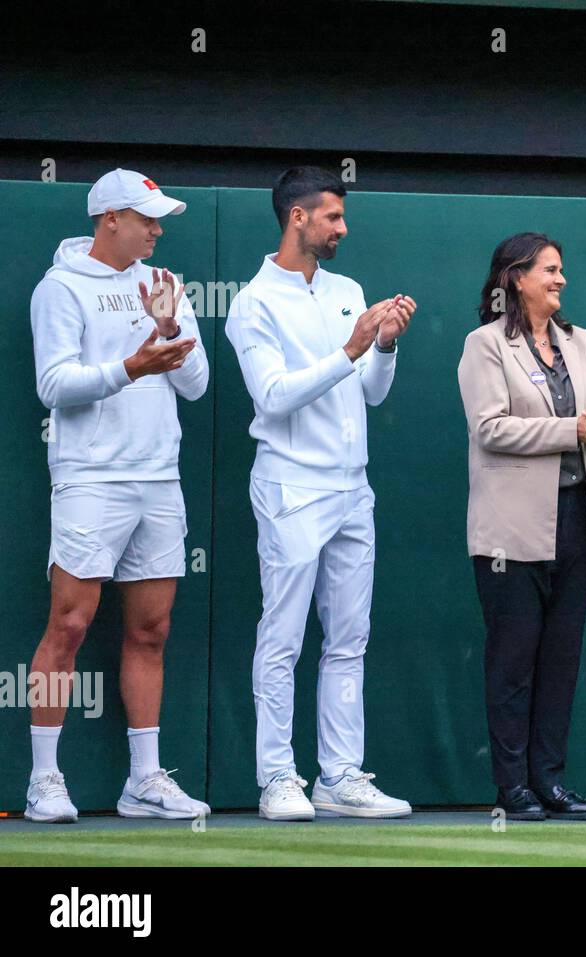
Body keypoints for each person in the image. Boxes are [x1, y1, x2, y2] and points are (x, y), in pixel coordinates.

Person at [225, 166, 417, 821]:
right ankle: (278, 776)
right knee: (282, 638)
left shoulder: (348, 289)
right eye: (332, 216)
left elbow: (370, 391)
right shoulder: (252, 302)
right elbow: (272, 396)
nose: (342, 227)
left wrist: (383, 347)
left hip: (350, 489)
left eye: (342, 215)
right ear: (297, 218)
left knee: (348, 639)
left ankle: (338, 777)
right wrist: (350, 346)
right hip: (289, 488)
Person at [26, 168, 210, 823]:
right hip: (89, 479)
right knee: (68, 626)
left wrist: (164, 330)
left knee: (151, 631)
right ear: (110, 219)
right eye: (147, 218)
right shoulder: (59, 288)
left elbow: (196, 383)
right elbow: (53, 384)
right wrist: (129, 366)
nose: (158, 230)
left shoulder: (163, 287)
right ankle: (44, 779)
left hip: (159, 478)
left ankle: (144, 781)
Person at [457, 232, 586, 821]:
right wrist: (571, 429)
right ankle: (512, 787)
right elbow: (490, 428)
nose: (560, 280)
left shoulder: (582, 343)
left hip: (580, 523)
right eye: (549, 270)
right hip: (511, 531)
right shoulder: (484, 345)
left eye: (562, 270)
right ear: (515, 278)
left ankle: (549, 780)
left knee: (561, 661)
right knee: (513, 662)